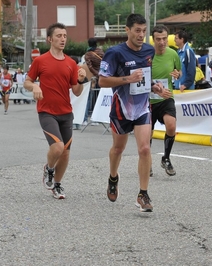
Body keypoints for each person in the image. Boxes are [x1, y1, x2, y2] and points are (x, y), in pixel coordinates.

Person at [98, 13, 164, 212]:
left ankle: (143, 194)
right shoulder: (115, 53)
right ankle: (113, 176)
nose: (141, 35)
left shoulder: (148, 51)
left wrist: (154, 86)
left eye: (144, 31)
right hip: (121, 108)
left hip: (142, 107)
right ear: (127, 30)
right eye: (137, 31)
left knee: (144, 149)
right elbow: (102, 81)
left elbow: (144, 78)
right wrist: (127, 79)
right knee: (118, 149)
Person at [23, 22, 87, 200]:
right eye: (59, 36)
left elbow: (76, 91)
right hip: (47, 111)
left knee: (66, 152)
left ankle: (57, 185)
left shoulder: (71, 63)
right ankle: (49, 169)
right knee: (58, 147)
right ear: (50, 39)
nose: (63, 39)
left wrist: (81, 80)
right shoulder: (40, 61)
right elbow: (26, 81)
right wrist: (34, 86)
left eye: (65, 36)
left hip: (66, 112)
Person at [149, 25, 181, 177]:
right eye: (158, 39)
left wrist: (177, 74)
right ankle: (146, 161)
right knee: (147, 133)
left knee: (171, 125)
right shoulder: (147, 55)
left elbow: (178, 72)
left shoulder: (173, 53)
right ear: (153, 39)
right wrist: (155, 88)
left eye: (164, 39)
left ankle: (166, 158)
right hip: (148, 99)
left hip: (166, 97)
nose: (161, 42)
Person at [83, 37, 104, 126]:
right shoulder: (101, 52)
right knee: (98, 97)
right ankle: (97, 117)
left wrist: (97, 74)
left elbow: (90, 67)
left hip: (95, 78)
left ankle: (89, 117)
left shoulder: (88, 54)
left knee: (90, 98)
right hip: (104, 77)